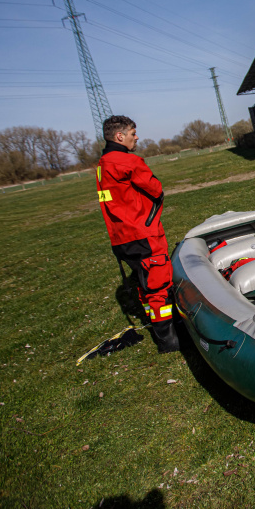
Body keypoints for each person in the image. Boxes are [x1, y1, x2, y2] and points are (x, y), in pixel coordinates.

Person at [96, 115, 178, 353]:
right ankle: (169, 341)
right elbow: (155, 188)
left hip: (121, 237)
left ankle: (160, 328)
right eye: (133, 133)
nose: (137, 137)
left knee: (144, 284)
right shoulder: (127, 161)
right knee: (158, 286)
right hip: (142, 234)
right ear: (119, 136)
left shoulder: (103, 164)